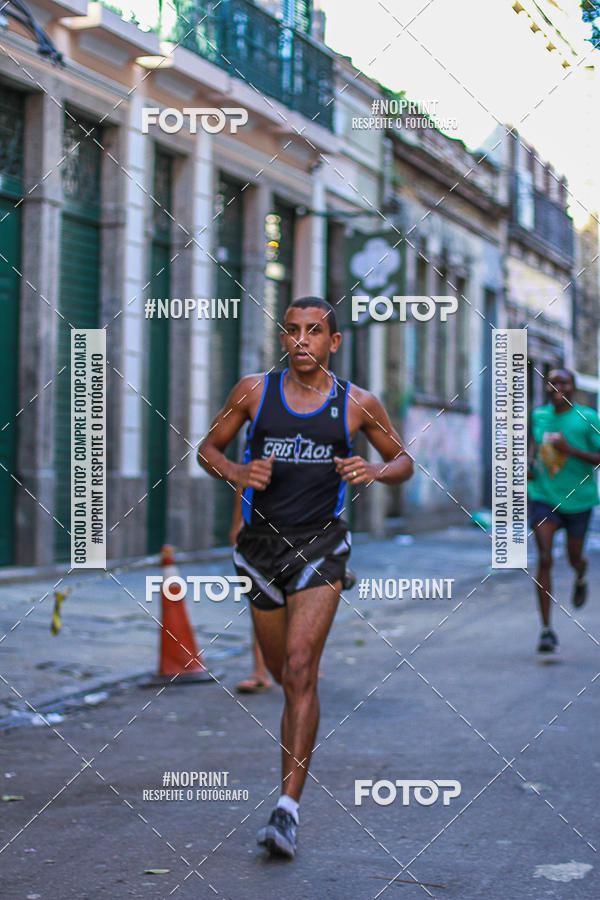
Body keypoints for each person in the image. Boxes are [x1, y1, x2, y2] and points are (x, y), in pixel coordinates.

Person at [198, 296, 414, 858]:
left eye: (314, 331)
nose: (301, 340)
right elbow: (207, 449)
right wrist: (237, 471)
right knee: (281, 673)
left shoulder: (356, 403)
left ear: (333, 342)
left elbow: (404, 462)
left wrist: (373, 469)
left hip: (321, 544)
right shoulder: (253, 392)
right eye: (292, 330)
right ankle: (292, 750)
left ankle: (287, 811)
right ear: (282, 338)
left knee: (300, 669)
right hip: (258, 550)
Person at [528, 368, 600, 653]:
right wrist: (530, 465)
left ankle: (580, 574)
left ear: (573, 387)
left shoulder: (588, 418)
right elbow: (533, 447)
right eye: (552, 382)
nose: (556, 387)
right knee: (544, 558)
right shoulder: (538, 416)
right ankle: (546, 630)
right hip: (543, 496)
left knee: (573, 557)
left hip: (579, 500)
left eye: (563, 383)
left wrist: (570, 450)